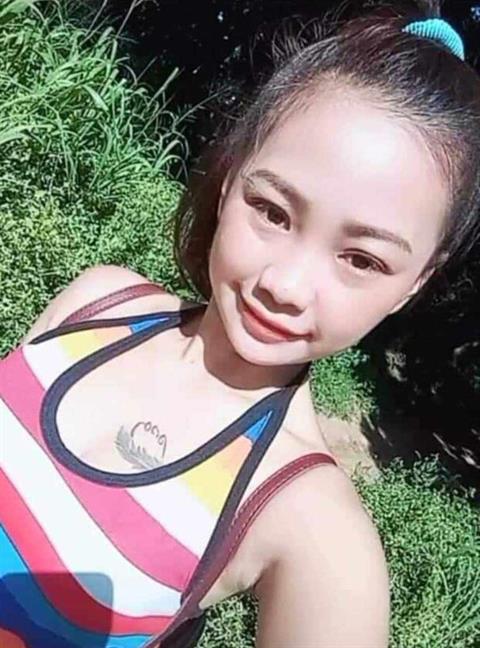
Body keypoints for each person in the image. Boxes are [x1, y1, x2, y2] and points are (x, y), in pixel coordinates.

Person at [1, 1, 479, 647]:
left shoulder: (316, 534)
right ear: (230, 179)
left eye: (362, 259)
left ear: (415, 282)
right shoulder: (98, 304)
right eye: (273, 211)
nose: (284, 285)